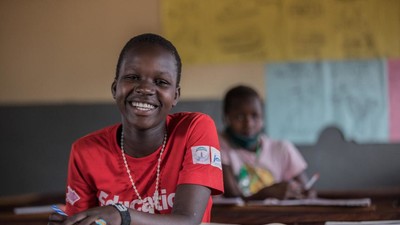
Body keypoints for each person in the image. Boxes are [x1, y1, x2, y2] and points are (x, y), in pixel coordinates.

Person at [48, 33, 224, 225]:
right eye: (132, 77)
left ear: (175, 95)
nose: (145, 89)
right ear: (115, 89)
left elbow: (188, 221)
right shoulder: (85, 152)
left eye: (161, 82)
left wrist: (123, 214)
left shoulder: (194, 129)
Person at [219, 85, 315, 200]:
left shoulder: (282, 148)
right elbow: (232, 197)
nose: (248, 124)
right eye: (239, 117)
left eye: (255, 116)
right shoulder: (218, 146)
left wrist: (305, 194)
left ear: (263, 118)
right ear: (226, 118)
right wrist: (265, 194)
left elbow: (305, 189)